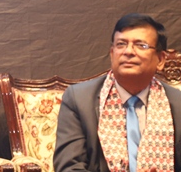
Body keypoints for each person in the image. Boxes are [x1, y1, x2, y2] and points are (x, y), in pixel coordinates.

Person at [54, 13, 181, 172]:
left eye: (141, 45)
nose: (128, 51)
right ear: (112, 53)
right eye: (121, 44)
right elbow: (69, 167)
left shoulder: (177, 103)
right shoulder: (79, 100)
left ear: (161, 60)